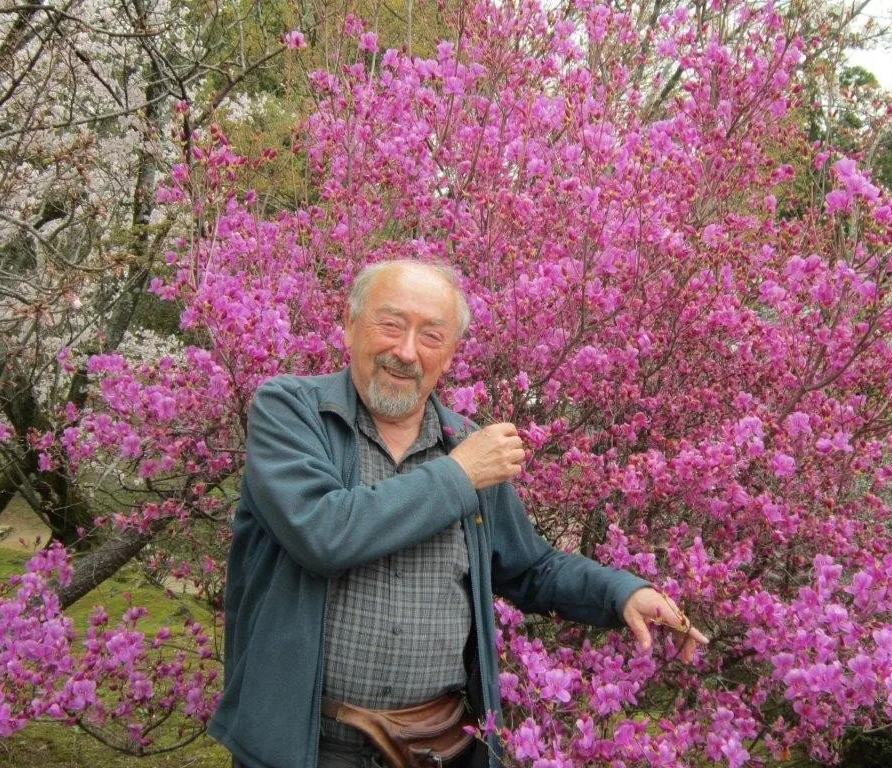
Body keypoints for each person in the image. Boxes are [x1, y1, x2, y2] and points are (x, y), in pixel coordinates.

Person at [208, 260, 708, 768]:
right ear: (350, 324)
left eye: (431, 336)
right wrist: (459, 475)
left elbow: (530, 568)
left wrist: (622, 591)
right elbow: (322, 532)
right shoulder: (291, 410)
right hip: (310, 745)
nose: (406, 352)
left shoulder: (467, 447)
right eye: (390, 325)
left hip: (441, 746)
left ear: (448, 356)